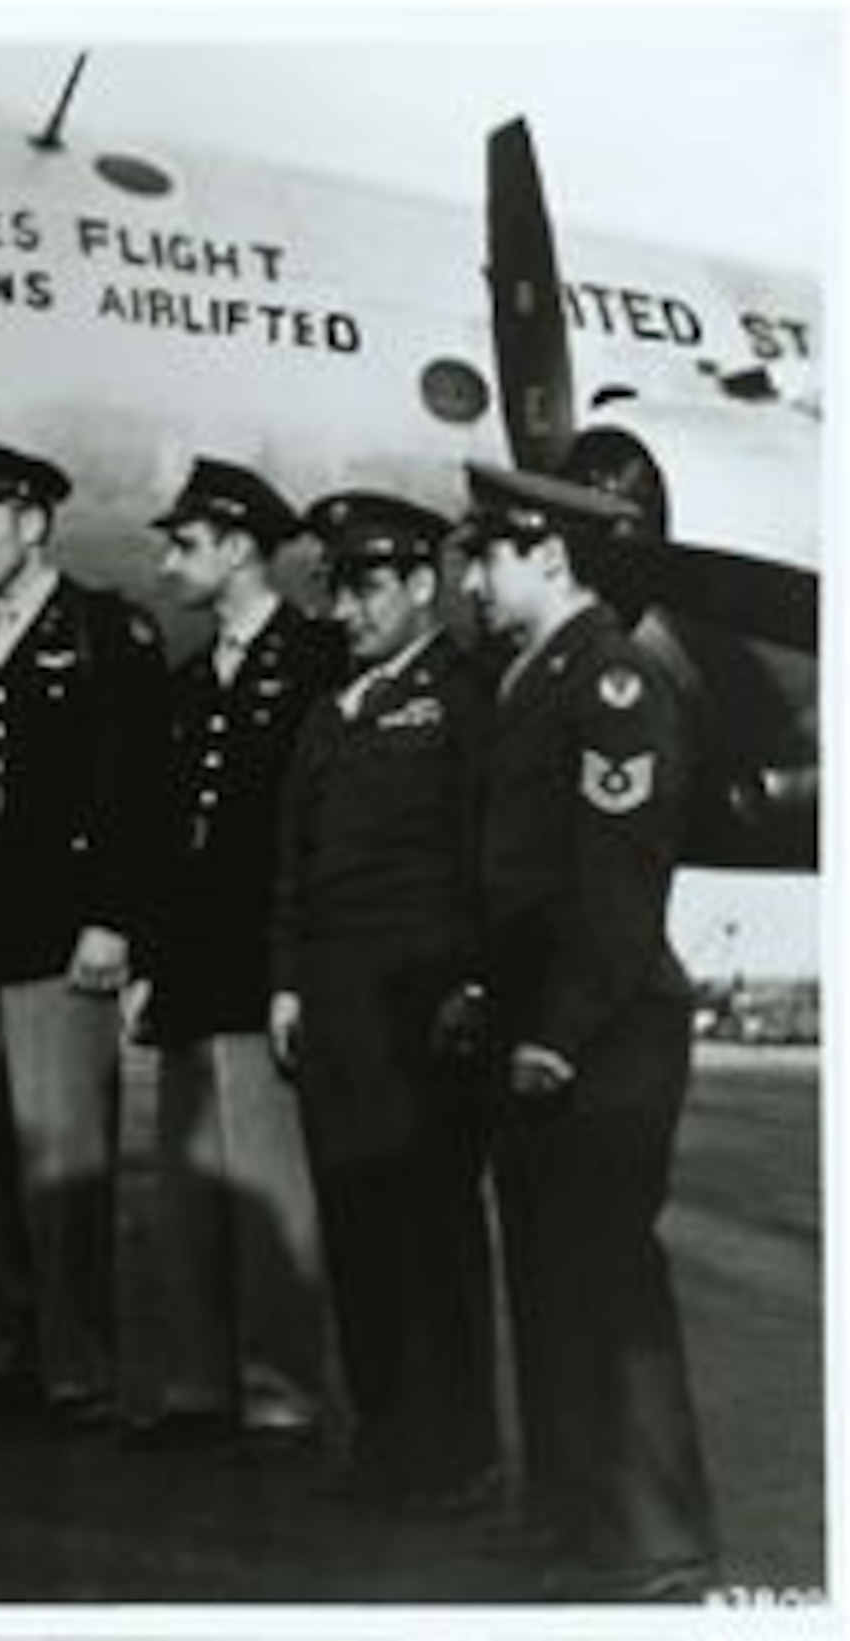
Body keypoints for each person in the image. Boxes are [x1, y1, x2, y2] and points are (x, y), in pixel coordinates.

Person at [452, 462, 718, 1600]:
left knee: (606, 1284)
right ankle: (569, 1516)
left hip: (601, 1037)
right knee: (550, 1283)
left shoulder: (609, 682)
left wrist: (555, 1031)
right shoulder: (533, 676)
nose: (470, 578)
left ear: (545, 557)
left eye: (486, 556)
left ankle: (657, 1534)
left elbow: (614, 889)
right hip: (537, 1025)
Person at [0, 439, 169, 1431]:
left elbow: (135, 789)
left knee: (63, 1166)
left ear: (32, 521)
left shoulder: (110, 634)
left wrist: (114, 917)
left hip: (62, 938)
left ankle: (74, 1371)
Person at [267, 491, 498, 1507]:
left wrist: (478, 982)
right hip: (333, 1013)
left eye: (364, 587)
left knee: (429, 1233)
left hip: (422, 1010)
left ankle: (452, 1454)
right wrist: (283, 983)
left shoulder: (467, 696)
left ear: (419, 585)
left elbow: (494, 854)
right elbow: (290, 865)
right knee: (355, 1228)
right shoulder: (330, 711)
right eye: (335, 590)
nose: (343, 611)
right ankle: (383, 1438)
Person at [133, 457, 346, 1450]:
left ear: (237, 548)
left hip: (265, 972)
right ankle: (193, 1391)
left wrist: (299, 973)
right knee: (187, 1196)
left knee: (270, 1194)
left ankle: (279, 1394)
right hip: (187, 973)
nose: (169, 565)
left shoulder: (316, 663)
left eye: (184, 545)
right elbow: (165, 838)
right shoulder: (185, 682)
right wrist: (145, 961)